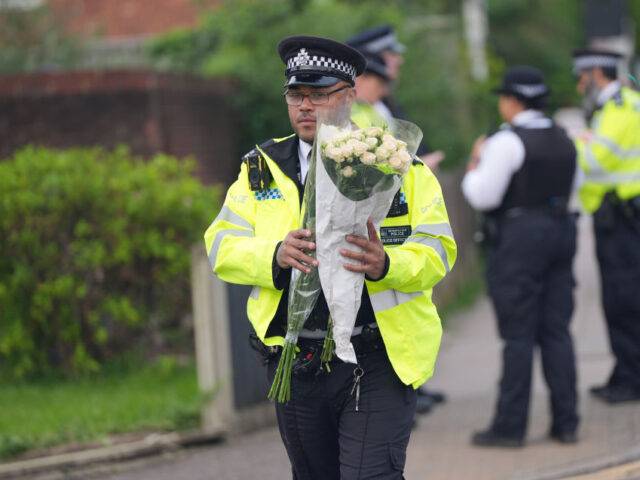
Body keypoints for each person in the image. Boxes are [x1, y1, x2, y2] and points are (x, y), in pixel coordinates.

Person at [204, 35, 456, 478]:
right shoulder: (261, 167)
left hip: (378, 357)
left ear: (351, 96)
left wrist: (387, 265)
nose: (305, 106)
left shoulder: (396, 164)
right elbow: (221, 244)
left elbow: (438, 249)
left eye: (319, 94)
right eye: (296, 94)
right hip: (296, 361)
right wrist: (275, 255)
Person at [462, 66, 580, 447]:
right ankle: (567, 422)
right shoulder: (565, 137)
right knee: (556, 332)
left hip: (519, 240)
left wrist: (474, 164)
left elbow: (483, 196)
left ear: (513, 100)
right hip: (562, 231)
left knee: (518, 336)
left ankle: (510, 428)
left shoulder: (505, 142)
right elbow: (575, 185)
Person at [347, 24, 448, 414]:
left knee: (404, 303)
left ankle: (413, 385)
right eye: (380, 73)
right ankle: (406, 389)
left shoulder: (375, 109)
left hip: (397, 231)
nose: (390, 76)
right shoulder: (358, 115)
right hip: (375, 230)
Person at [572, 48, 640, 403]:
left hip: (622, 216)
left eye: (580, 75)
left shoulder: (617, 107)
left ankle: (631, 378)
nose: (579, 83)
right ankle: (625, 371)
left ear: (595, 72)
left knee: (624, 298)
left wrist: (579, 142)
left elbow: (597, 160)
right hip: (618, 214)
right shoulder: (621, 103)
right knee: (621, 297)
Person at [346, 24, 446, 172]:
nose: (399, 60)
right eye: (392, 54)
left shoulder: (381, 104)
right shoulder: (353, 110)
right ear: (363, 75)